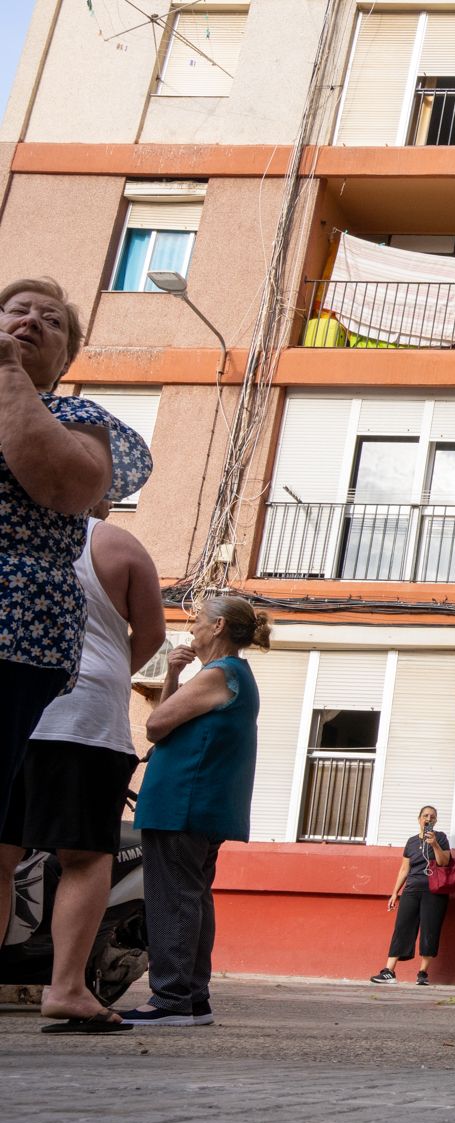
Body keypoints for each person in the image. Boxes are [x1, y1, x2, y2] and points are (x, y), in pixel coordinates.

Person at [0, 502, 165, 1033]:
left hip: (11, 710)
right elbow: (153, 633)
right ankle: (67, 987)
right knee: (85, 856)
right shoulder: (116, 544)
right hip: (84, 719)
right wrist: (112, 670)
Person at [0, 277, 151, 836]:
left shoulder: (77, 419)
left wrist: (9, 373)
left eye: (52, 321)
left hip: (13, 626)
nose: (32, 321)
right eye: (16, 311)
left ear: (65, 360)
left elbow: (68, 488)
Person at [120, 597, 268, 1026]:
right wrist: (171, 672)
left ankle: (170, 998)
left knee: (171, 899)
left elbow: (154, 726)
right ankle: (193, 997)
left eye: (198, 621)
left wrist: (175, 677)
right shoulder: (224, 675)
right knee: (193, 896)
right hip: (197, 803)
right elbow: (168, 720)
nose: (192, 628)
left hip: (182, 800)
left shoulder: (220, 673)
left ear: (219, 626)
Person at [371, 805, 453, 986]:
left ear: (436, 820)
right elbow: (404, 869)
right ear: (419, 819)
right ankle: (389, 971)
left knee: (430, 929)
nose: (429, 819)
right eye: (425, 816)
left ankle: (423, 973)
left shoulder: (440, 838)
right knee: (402, 927)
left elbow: (444, 862)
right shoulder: (411, 842)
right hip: (411, 889)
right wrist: (395, 893)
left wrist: (435, 845)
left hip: (435, 891)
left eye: (432, 816)